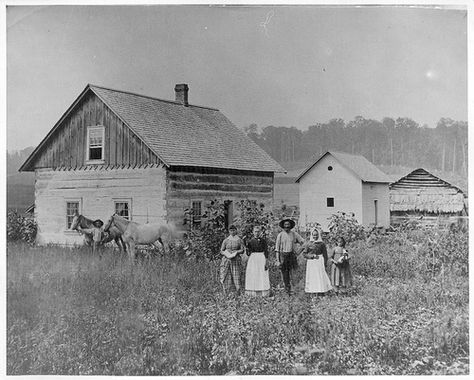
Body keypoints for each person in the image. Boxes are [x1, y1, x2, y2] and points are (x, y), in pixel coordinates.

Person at [275, 218, 305, 295]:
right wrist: (278, 260)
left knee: (293, 274)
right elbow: (277, 249)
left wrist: (298, 252)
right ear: (283, 226)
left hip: (292, 256)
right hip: (283, 256)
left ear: (290, 226)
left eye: (288, 225)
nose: (287, 226)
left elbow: (303, 243)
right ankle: (287, 291)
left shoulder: (294, 234)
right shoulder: (280, 235)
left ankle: (294, 290)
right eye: (285, 225)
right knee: (285, 275)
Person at [303, 228, 332, 296]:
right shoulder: (308, 243)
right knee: (312, 277)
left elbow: (325, 255)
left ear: (318, 235)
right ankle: (312, 293)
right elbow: (304, 254)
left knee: (320, 276)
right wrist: (311, 256)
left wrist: (325, 264)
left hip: (319, 262)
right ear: (311, 235)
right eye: (313, 235)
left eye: (316, 235)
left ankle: (321, 292)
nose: (315, 237)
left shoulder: (322, 244)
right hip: (311, 263)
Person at [245, 225, 270, 297]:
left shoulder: (263, 241)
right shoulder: (250, 241)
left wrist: (266, 261)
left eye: (258, 232)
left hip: (261, 258)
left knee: (262, 273)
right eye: (255, 232)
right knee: (253, 273)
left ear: (260, 232)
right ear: (253, 232)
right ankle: (253, 292)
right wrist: (246, 247)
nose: (257, 233)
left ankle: (263, 292)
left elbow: (266, 251)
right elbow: (248, 253)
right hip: (253, 259)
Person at [220, 225, 245, 296]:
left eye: (234, 230)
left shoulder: (239, 240)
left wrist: (236, 252)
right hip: (226, 260)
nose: (232, 232)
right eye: (231, 230)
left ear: (236, 230)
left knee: (236, 276)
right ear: (229, 231)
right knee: (226, 275)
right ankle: (227, 293)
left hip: (236, 260)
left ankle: (237, 293)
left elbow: (242, 250)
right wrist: (225, 253)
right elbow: (221, 250)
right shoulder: (226, 240)